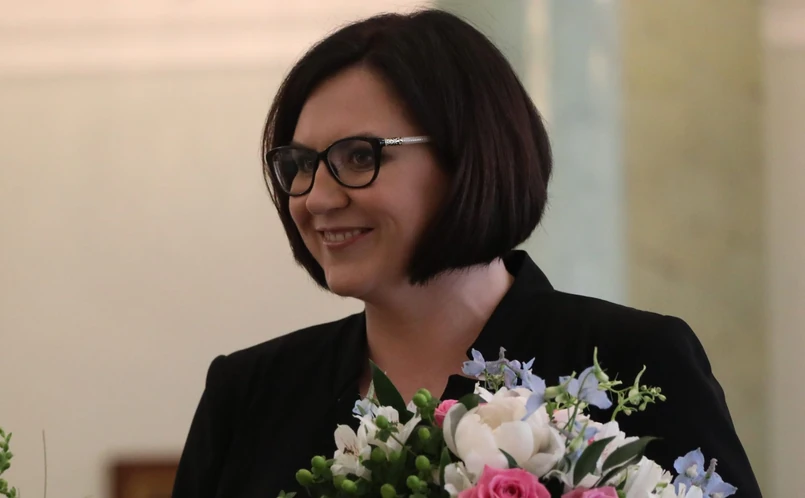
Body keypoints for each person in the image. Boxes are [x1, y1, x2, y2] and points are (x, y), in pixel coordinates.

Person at [172, 8, 762, 498]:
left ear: (469, 156)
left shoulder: (635, 361)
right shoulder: (249, 393)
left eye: (359, 156)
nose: (318, 198)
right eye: (301, 164)